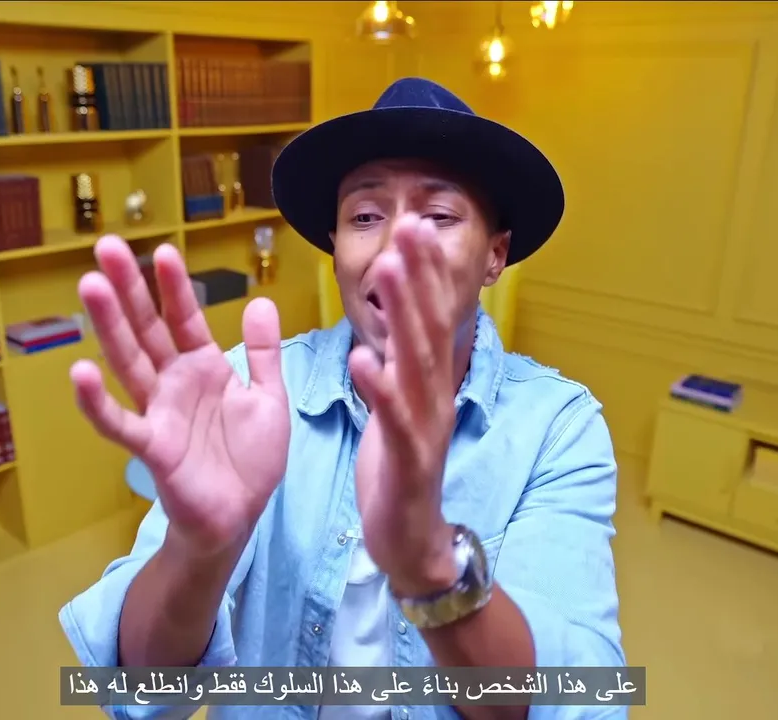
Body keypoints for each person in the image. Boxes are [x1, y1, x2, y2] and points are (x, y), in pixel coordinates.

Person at [60, 77, 625, 720]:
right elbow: (139, 692)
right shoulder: (250, 391)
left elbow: (579, 698)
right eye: (365, 217)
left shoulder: (558, 429)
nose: (394, 251)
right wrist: (198, 551)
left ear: (495, 255)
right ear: (334, 245)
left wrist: (429, 564)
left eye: (439, 217)